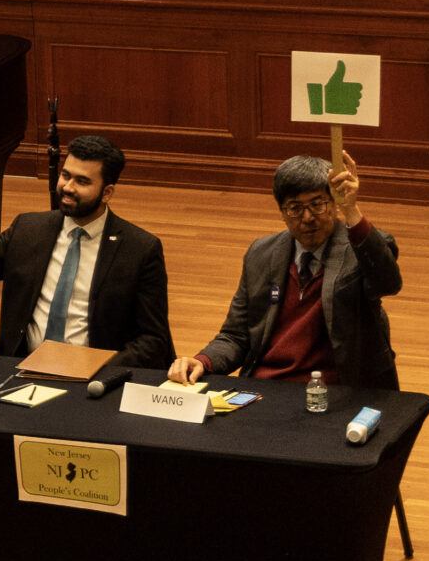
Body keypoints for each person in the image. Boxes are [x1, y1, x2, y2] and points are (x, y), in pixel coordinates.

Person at [0, 133, 171, 367]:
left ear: (107, 193)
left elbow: (153, 340)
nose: (68, 187)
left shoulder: (139, 250)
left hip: (93, 380)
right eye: (66, 175)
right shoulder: (28, 230)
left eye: (82, 181)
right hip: (21, 370)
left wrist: (97, 367)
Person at [172, 152, 401, 389]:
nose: (308, 217)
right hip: (266, 388)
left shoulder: (362, 248)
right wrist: (203, 361)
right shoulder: (261, 254)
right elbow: (236, 335)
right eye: (295, 208)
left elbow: (388, 283)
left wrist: (351, 210)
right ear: (282, 213)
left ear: (334, 204)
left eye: (317, 204)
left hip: (334, 392)